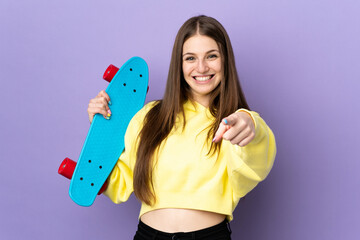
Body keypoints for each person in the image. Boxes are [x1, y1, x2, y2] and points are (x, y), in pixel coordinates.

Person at [87, 15, 276, 240]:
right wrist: (101, 132)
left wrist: (249, 123)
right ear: (179, 64)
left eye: (212, 56)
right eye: (190, 58)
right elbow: (120, 183)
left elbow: (254, 163)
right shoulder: (149, 116)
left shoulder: (232, 124)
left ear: (225, 61)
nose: (202, 67)